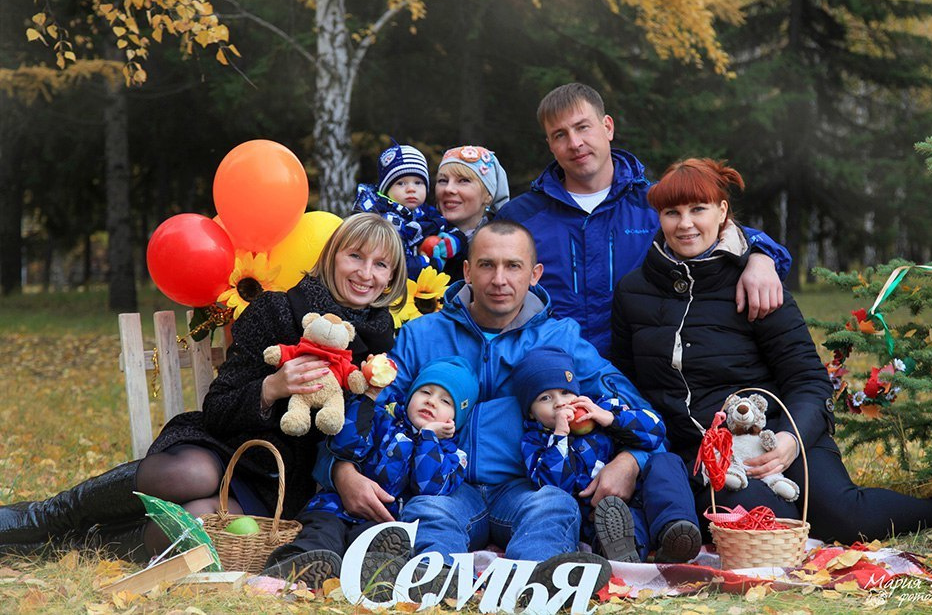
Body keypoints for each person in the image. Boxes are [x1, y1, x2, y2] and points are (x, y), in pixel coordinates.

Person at [0, 213, 408, 562]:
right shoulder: (278, 309)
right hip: (227, 444)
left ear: (392, 277)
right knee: (188, 475)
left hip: (286, 485)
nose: (364, 273)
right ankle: (44, 518)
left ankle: (71, 547)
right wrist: (270, 388)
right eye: (354, 255)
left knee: (195, 524)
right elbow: (219, 406)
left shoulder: (384, 347)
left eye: (379, 264)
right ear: (332, 255)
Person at [610, 158, 932, 543]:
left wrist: (790, 441)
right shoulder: (633, 293)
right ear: (658, 218)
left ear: (722, 212)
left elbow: (808, 380)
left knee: (846, 518)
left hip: (781, 430)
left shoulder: (755, 281)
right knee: (767, 518)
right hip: (708, 452)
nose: (685, 224)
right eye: (671, 212)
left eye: (698, 209)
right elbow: (626, 386)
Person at [334, 220, 697, 593]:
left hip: (528, 486)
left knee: (554, 507)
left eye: (513, 266)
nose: (499, 279)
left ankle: (531, 586)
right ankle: (435, 583)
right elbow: (369, 406)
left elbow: (634, 409)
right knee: (427, 512)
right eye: (487, 265)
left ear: (535, 274)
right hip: (445, 485)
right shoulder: (421, 334)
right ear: (467, 270)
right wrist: (340, 470)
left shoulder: (561, 338)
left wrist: (631, 461)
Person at [498, 83, 790, 357]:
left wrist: (762, 257)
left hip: (643, 377)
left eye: (582, 127)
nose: (575, 143)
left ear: (607, 127)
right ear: (550, 143)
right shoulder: (521, 218)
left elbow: (719, 230)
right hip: (552, 377)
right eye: (560, 134)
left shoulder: (655, 204)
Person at [262, 356, 479, 585]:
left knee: (376, 543)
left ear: (456, 420)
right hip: (335, 506)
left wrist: (428, 436)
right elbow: (344, 445)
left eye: (446, 401)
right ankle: (297, 568)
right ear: (410, 395)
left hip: (383, 518)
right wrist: (367, 400)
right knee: (321, 534)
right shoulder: (382, 420)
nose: (432, 402)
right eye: (425, 391)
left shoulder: (453, 457)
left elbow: (428, 486)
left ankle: (373, 575)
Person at [512, 346, 700, 564]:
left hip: (643, 491)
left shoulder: (602, 406)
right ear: (530, 412)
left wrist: (611, 419)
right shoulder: (535, 441)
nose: (560, 403)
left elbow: (656, 430)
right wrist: (560, 435)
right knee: (621, 526)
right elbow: (553, 486)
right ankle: (625, 554)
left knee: (666, 461)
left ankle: (676, 529)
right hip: (601, 513)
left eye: (565, 392)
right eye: (545, 398)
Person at [354, 141, 465, 280]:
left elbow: (449, 227)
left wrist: (453, 241)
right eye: (401, 183)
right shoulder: (382, 219)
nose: (411, 189)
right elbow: (396, 264)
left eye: (418, 183)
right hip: (390, 288)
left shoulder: (426, 213)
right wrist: (431, 264)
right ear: (386, 191)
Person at [433, 145, 510, 282]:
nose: (449, 189)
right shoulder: (415, 235)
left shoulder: (505, 245)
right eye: (443, 181)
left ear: (488, 196)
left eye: (464, 180)